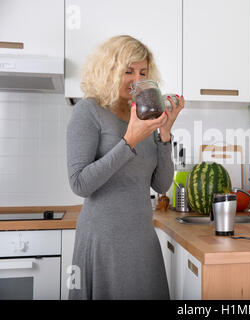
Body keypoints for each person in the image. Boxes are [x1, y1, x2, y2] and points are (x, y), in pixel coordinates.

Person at [66, 35, 184, 299]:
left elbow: (161, 184)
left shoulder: (144, 114)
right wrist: (129, 141)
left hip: (142, 237)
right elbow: (79, 184)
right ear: (109, 71)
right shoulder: (88, 111)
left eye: (143, 72)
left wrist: (164, 133)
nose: (136, 79)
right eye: (128, 71)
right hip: (102, 239)